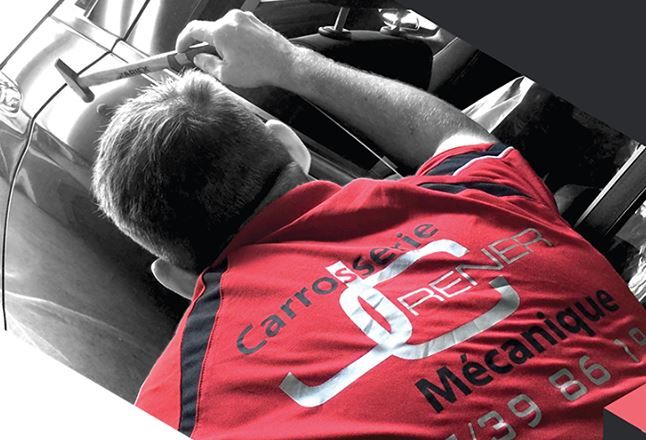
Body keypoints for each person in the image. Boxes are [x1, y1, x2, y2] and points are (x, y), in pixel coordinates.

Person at [92, 10, 645, 440]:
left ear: (174, 278)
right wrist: (287, 62)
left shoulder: (178, 407)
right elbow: (452, 135)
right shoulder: (482, 196)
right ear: (290, 145)